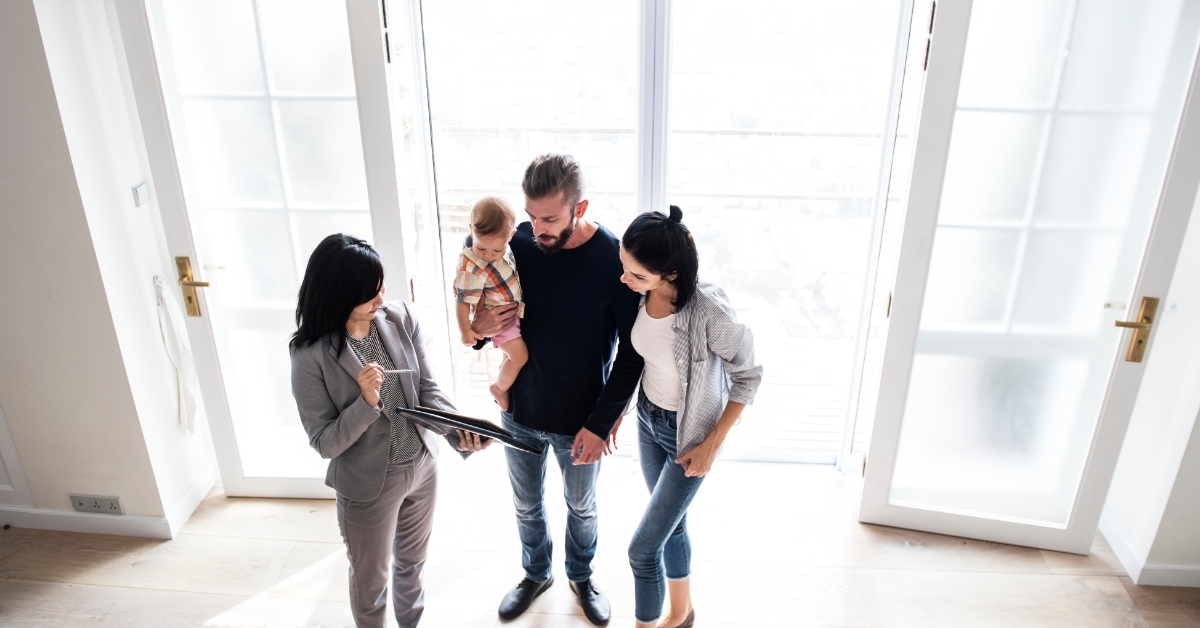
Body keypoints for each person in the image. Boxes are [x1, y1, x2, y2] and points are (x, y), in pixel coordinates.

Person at [470, 154, 644, 626]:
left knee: (581, 506)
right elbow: (481, 305)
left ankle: (581, 576)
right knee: (526, 504)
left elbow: (632, 352)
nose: (536, 228)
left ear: (579, 207)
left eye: (549, 218)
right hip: (520, 411)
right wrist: (479, 328)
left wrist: (603, 420)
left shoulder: (613, 259)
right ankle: (535, 573)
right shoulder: (516, 243)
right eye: (530, 215)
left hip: (581, 420)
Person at [290, 234, 490, 628]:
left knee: (412, 567)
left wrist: (458, 431)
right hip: (367, 487)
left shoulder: (400, 317)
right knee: (371, 582)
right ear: (339, 295)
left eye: (381, 287)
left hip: (421, 467)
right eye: (370, 295)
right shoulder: (309, 355)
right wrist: (365, 403)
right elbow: (325, 443)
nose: (381, 300)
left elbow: (427, 390)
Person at [618, 207, 762, 628]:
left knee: (642, 550)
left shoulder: (708, 313)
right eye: (623, 268)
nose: (626, 281)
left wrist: (711, 446)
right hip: (648, 419)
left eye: (637, 276)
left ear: (672, 274)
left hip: (688, 438)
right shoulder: (640, 293)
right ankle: (682, 614)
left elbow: (749, 378)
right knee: (671, 525)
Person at [452, 197, 528, 410]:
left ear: (510, 236)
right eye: (481, 248)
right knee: (519, 356)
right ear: (470, 231)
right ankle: (498, 389)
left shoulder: (506, 243)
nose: (488, 256)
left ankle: (503, 383)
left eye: (496, 251)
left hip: (512, 314)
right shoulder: (471, 266)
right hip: (499, 319)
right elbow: (461, 301)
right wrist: (466, 330)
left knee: (508, 356)